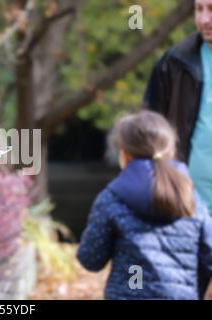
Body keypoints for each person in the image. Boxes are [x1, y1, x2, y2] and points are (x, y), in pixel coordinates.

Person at [77, 111, 212, 299]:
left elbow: (90, 259)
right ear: (170, 152)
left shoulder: (112, 198)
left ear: (124, 156)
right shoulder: (190, 199)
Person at [143, 0, 212, 214]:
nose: (203, 20)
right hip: (186, 210)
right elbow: (147, 136)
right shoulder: (173, 64)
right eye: (199, 9)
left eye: (211, 9)